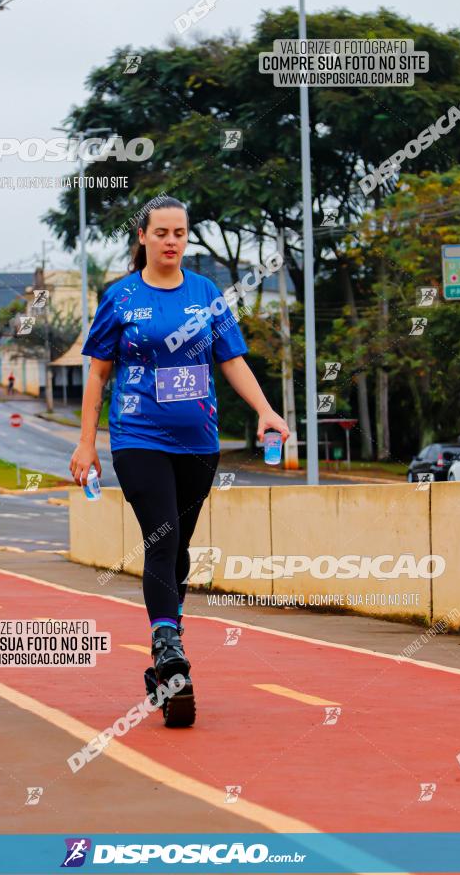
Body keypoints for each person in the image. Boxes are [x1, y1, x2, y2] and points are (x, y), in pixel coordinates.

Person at [69, 197, 289, 725]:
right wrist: (86, 443)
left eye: (180, 233)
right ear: (142, 236)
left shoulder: (206, 294)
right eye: (161, 232)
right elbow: (97, 374)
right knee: (162, 538)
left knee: (178, 547)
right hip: (138, 435)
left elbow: (230, 360)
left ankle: (167, 652)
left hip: (198, 443)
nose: (172, 241)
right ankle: (167, 642)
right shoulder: (120, 298)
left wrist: (265, 411)